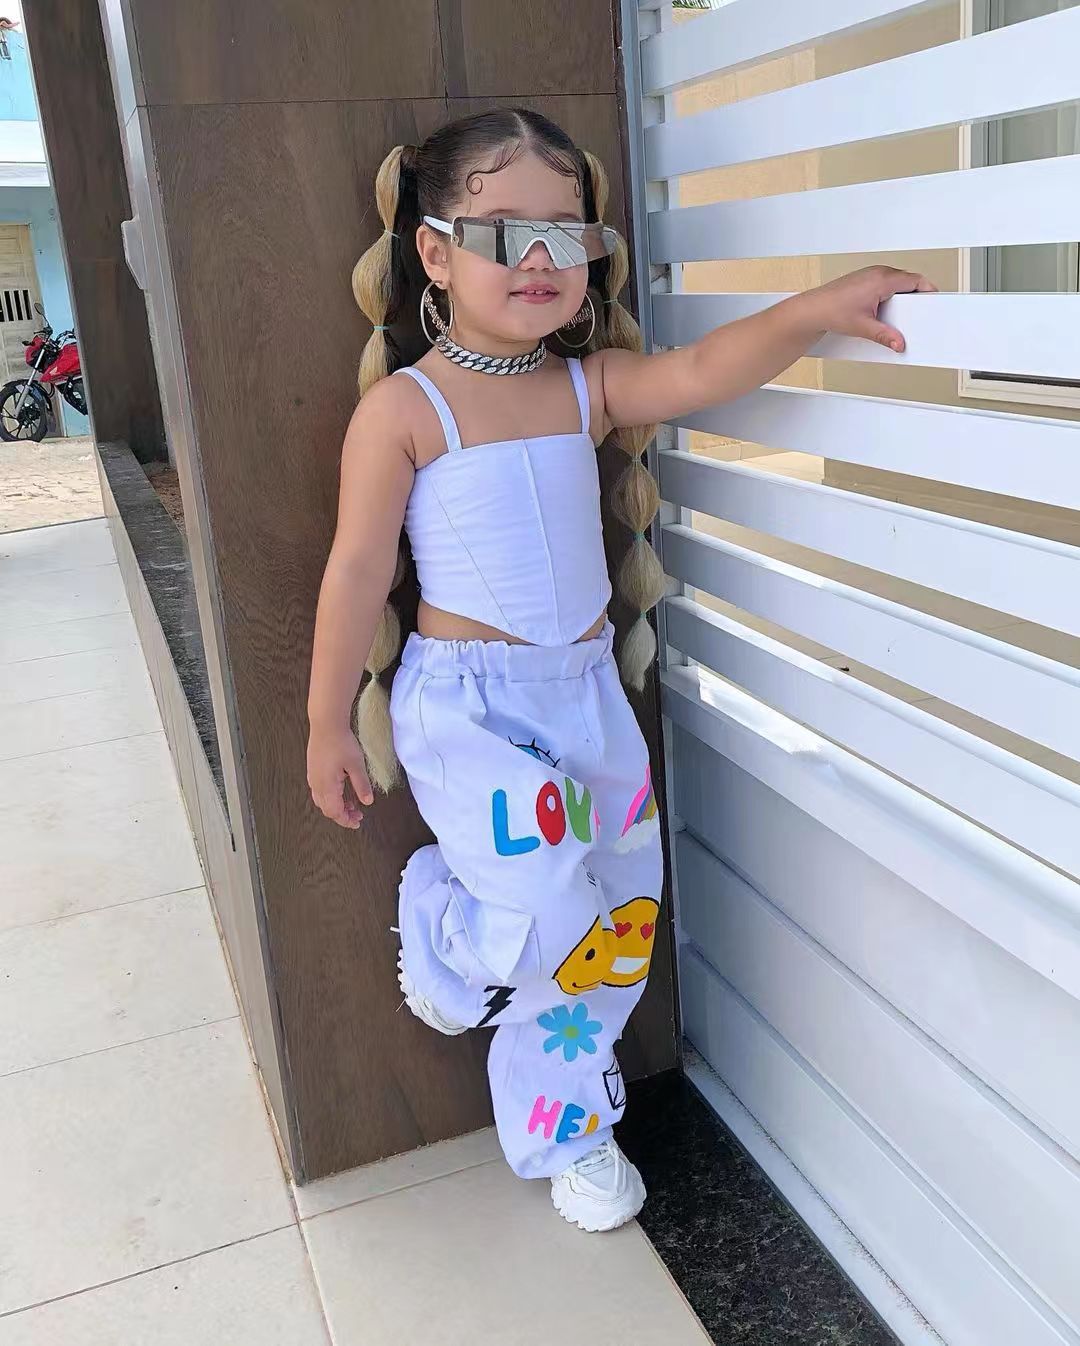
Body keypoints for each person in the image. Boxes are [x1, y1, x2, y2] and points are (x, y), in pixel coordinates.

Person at [307, 107, 933, 1232]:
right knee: (551, 907)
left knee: (620, 919)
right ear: (436, 254)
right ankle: (454, 941)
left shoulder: (583, 386)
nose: (541, 258)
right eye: (507, 232)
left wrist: (813, 309)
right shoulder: (406, 410)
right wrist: (327, 722)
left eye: (566, 233)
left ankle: (571, 1121)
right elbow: (357, 569)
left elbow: (698, 370)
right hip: (471, 711)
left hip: (586, 697)